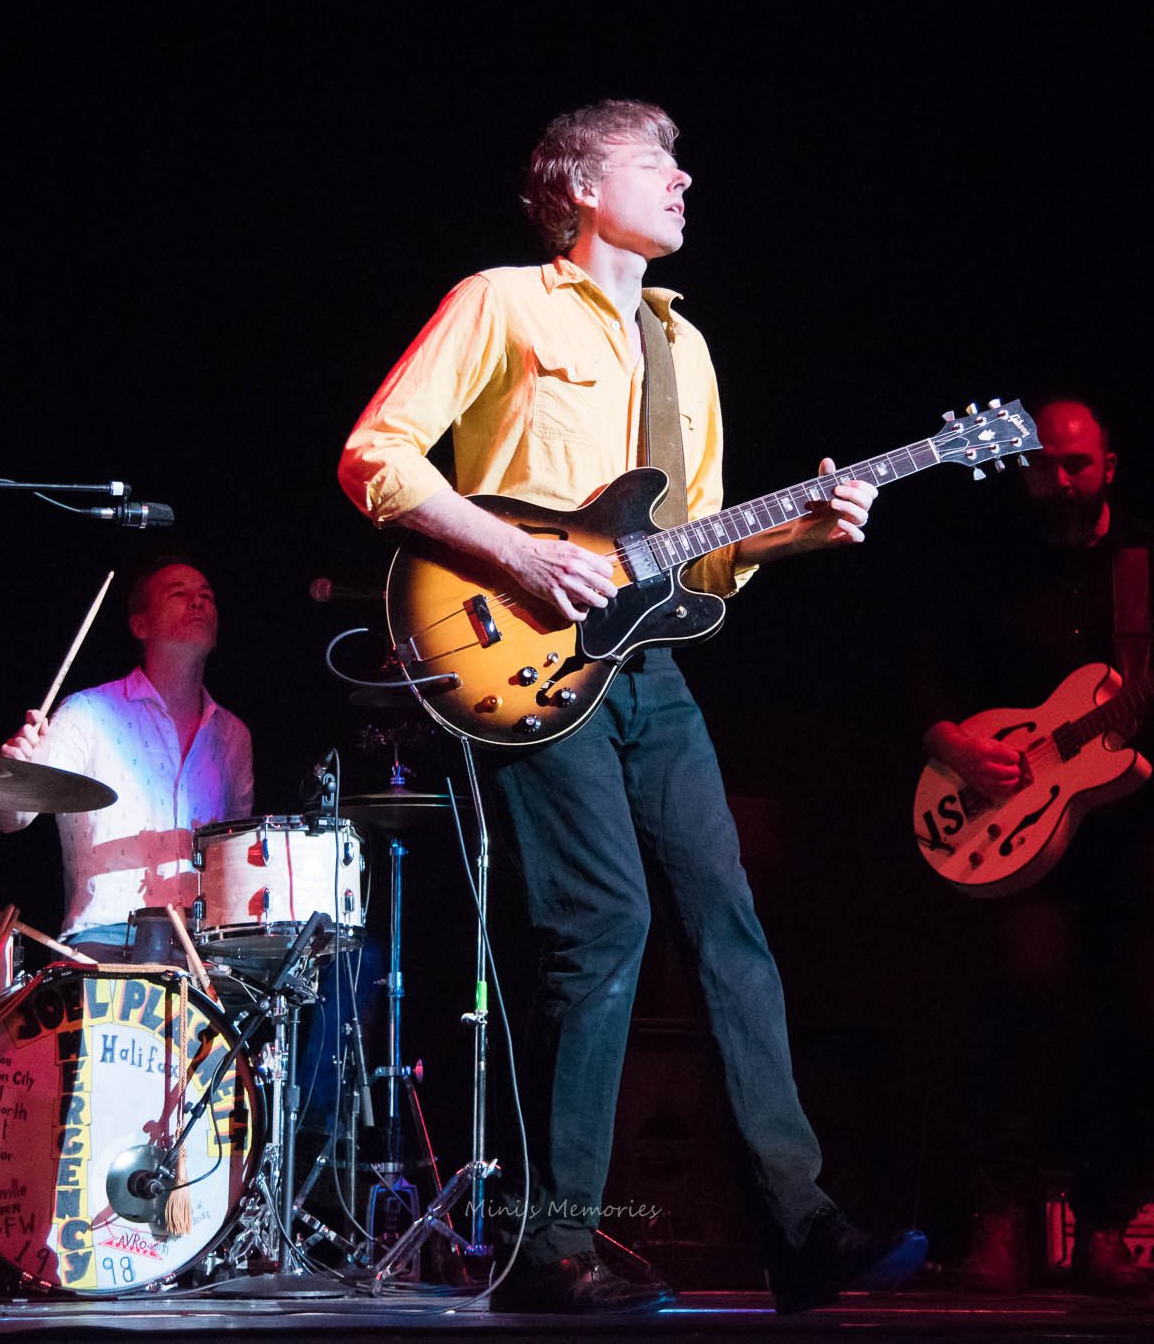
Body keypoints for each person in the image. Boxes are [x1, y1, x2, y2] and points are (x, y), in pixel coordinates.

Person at [338, 99, 897, 1314]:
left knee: (728, 919)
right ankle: (547, 1250)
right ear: (581, 186)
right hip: (519, 652)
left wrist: (795, 533)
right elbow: (376, 457)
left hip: (647, 668)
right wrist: (518, 553)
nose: (684, 181)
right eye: (657, 162)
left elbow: (695, 559)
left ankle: (798, 1226)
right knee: (601, 923)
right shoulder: (502, 300)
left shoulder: (683, 346)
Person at [906, 398, 1154, 1294]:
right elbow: (922, 679)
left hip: (1144, 819)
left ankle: (1107, 1223)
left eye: (1077, 464)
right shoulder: (986, 564)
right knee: (1027, 996)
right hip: (1019, 825)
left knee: (1147, 1025)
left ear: (1109, 467)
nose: (1061, 480)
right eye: (1044, 464)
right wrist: (955, 745)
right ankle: (997, 1217)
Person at [0, 556, 253, 958]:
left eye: (207, 596)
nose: (198, 602)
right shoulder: (86, 712)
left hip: (202, 947)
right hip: (106, 940)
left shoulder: (234, 735)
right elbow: (11, 819)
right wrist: (15, 772)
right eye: (179, 594)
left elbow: (235, 851)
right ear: (140, 625)